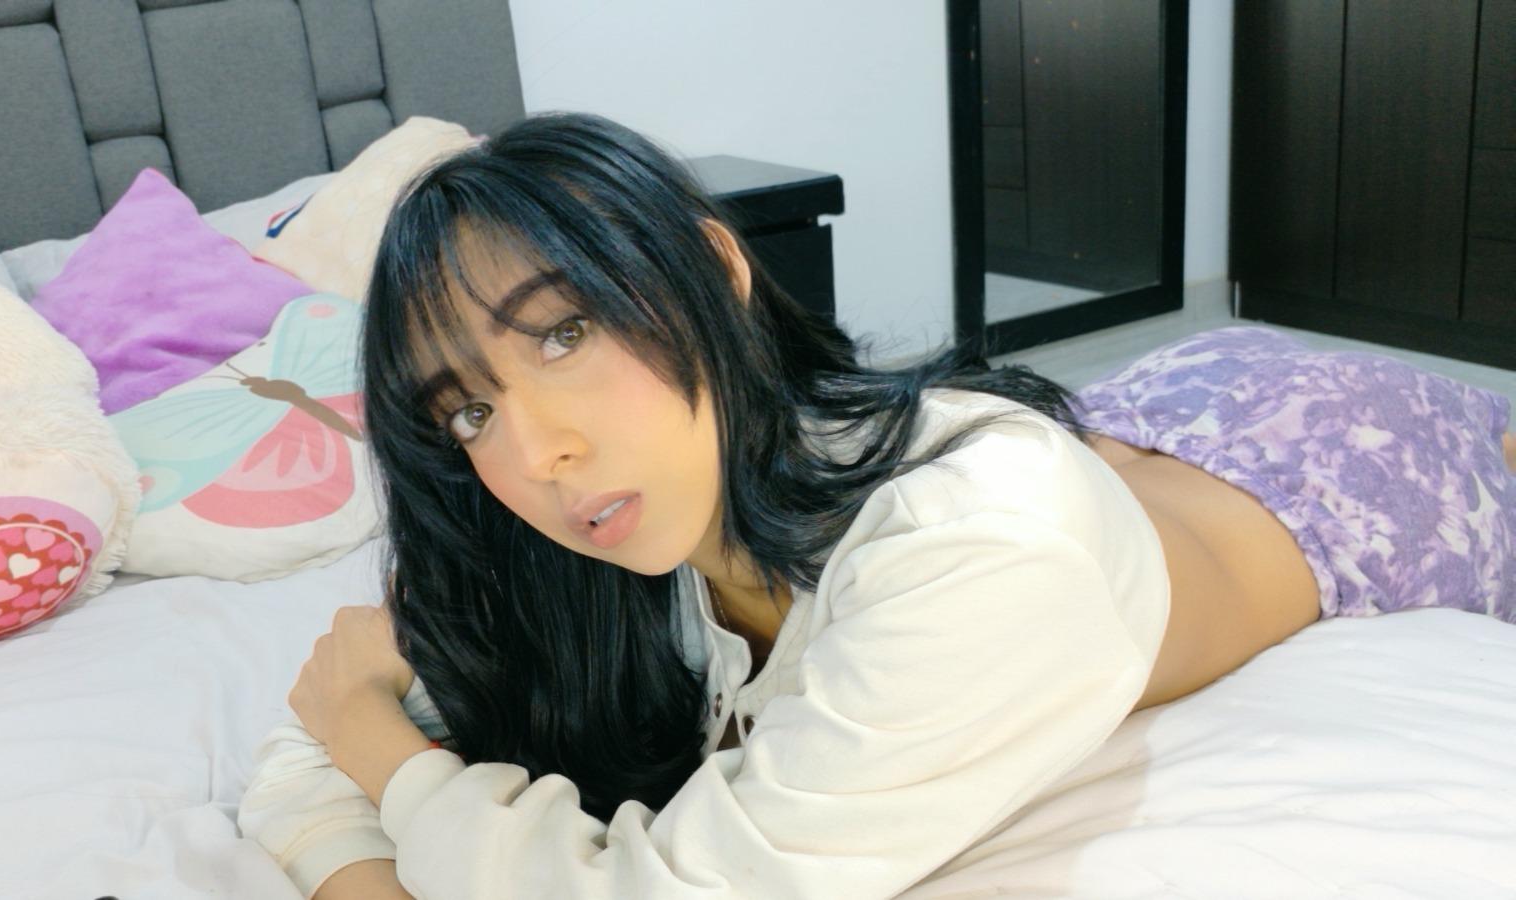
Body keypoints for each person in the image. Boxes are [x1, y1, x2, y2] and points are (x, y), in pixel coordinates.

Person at [236, 111, 1516, 900]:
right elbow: (309, 744)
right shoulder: (581, 518)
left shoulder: (980, 545)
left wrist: (385, 756)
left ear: (714, 269)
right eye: (466, 408)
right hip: (1129, 427)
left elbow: (683, 889)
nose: (536, 450)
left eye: (563, 333)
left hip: (1338, 467)